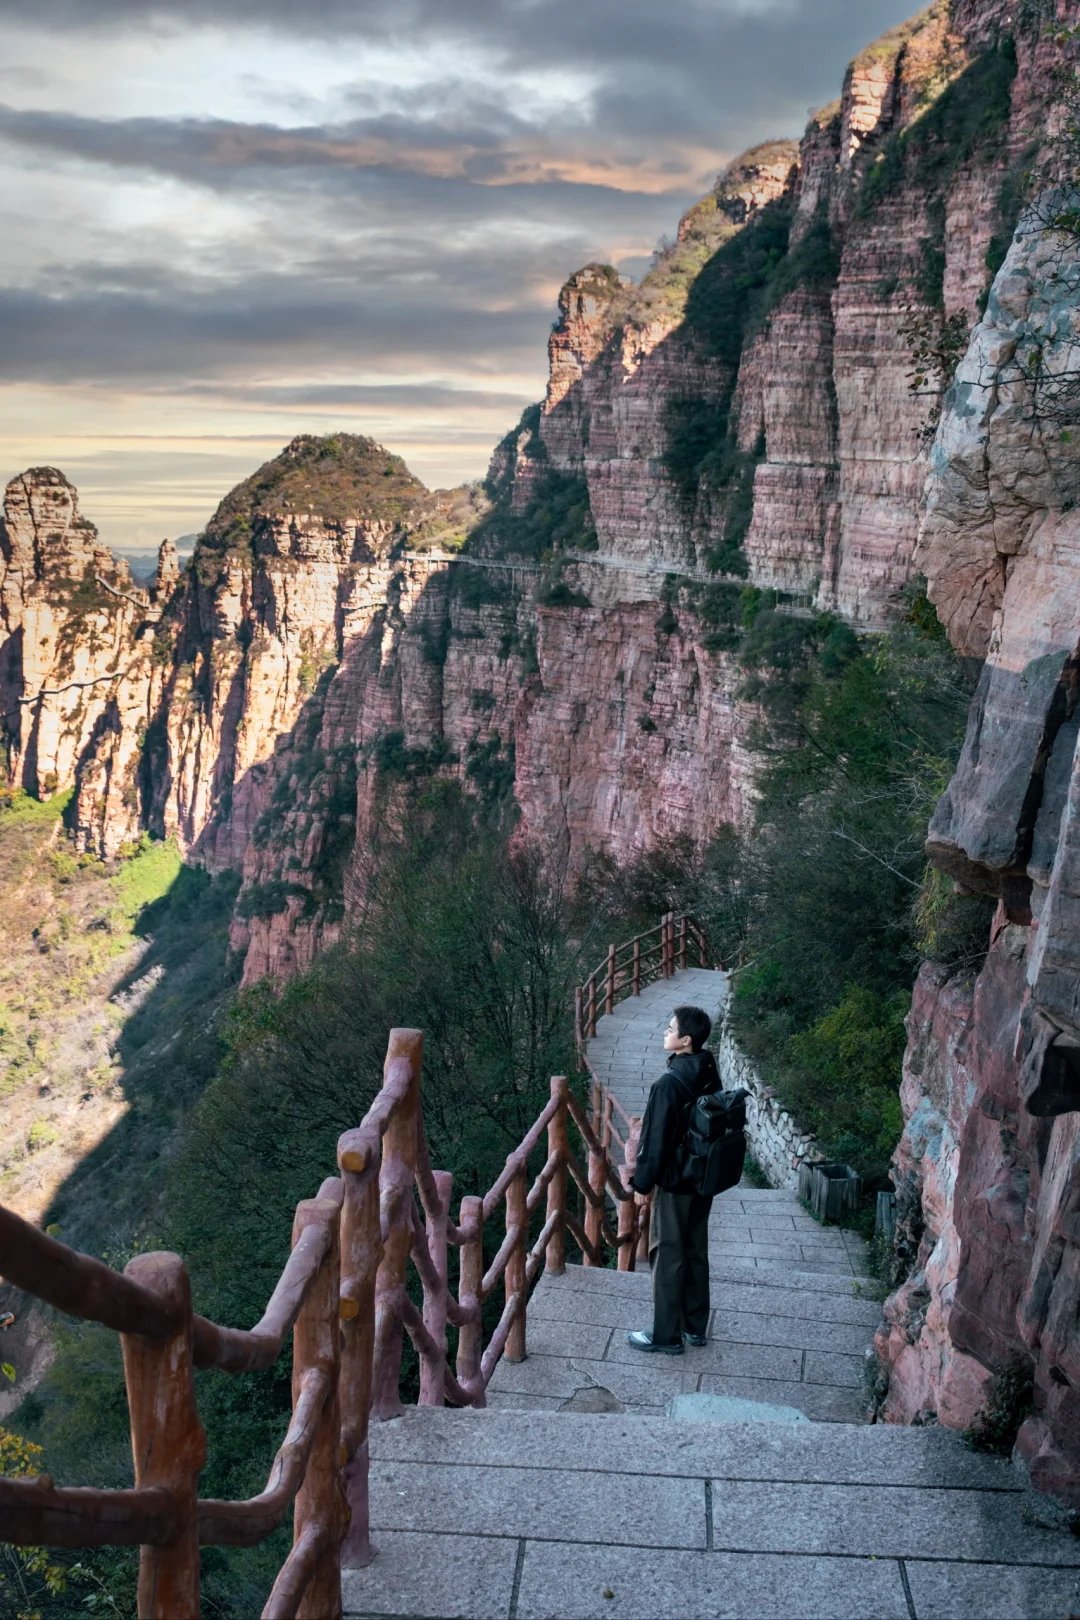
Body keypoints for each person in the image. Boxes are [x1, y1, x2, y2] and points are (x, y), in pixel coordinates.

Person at [626, 1004, 719, 1354]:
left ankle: (665, 1335)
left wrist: (642, 1183)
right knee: (695, 1249)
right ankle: (695, 1326)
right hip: (704, 1176)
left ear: (686, 1040)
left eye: (671, 1028)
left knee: (667, 1252)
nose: (665, 1032)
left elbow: (655, 1141)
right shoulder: (708, 1068)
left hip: (677, 1181)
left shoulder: (667, 1084)